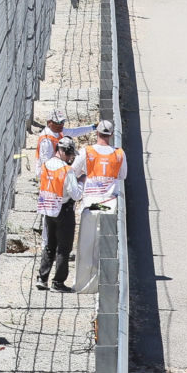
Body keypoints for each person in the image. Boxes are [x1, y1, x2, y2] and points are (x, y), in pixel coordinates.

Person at [36, 138, 83, 292]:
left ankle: (42, 279)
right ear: (61, 151)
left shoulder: (46, 165)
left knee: (50, 245)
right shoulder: (66, 170)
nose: (70, 157)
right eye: (69, 153)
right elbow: (75, 195)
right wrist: (81, 182)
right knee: (64, 248)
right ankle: (58, 282)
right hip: (64, 210)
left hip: (48, 209)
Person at [77, 120, 126, 203]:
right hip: (109, 200)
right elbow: (122, 175)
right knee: (108, 214)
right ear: (111, 134)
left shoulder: (85, 151)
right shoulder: (119, 153)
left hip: (90, 200)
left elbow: (72, 172)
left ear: (97, 133)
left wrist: (83, 177)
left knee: (90, 214)